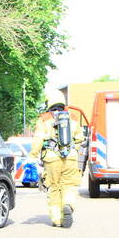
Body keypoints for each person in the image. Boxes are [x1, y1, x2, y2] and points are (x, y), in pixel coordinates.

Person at [31, 90, 84, 228]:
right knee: (69, 185)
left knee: (54, 187)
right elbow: (80, 138)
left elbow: (38, 139)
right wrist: (72, 150)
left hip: (51, 158)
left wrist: (33, 155)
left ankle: (57, 219)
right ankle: (68, 204)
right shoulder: (72, 117)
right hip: (70, 157)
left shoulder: (44, 119)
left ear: (49, 102)